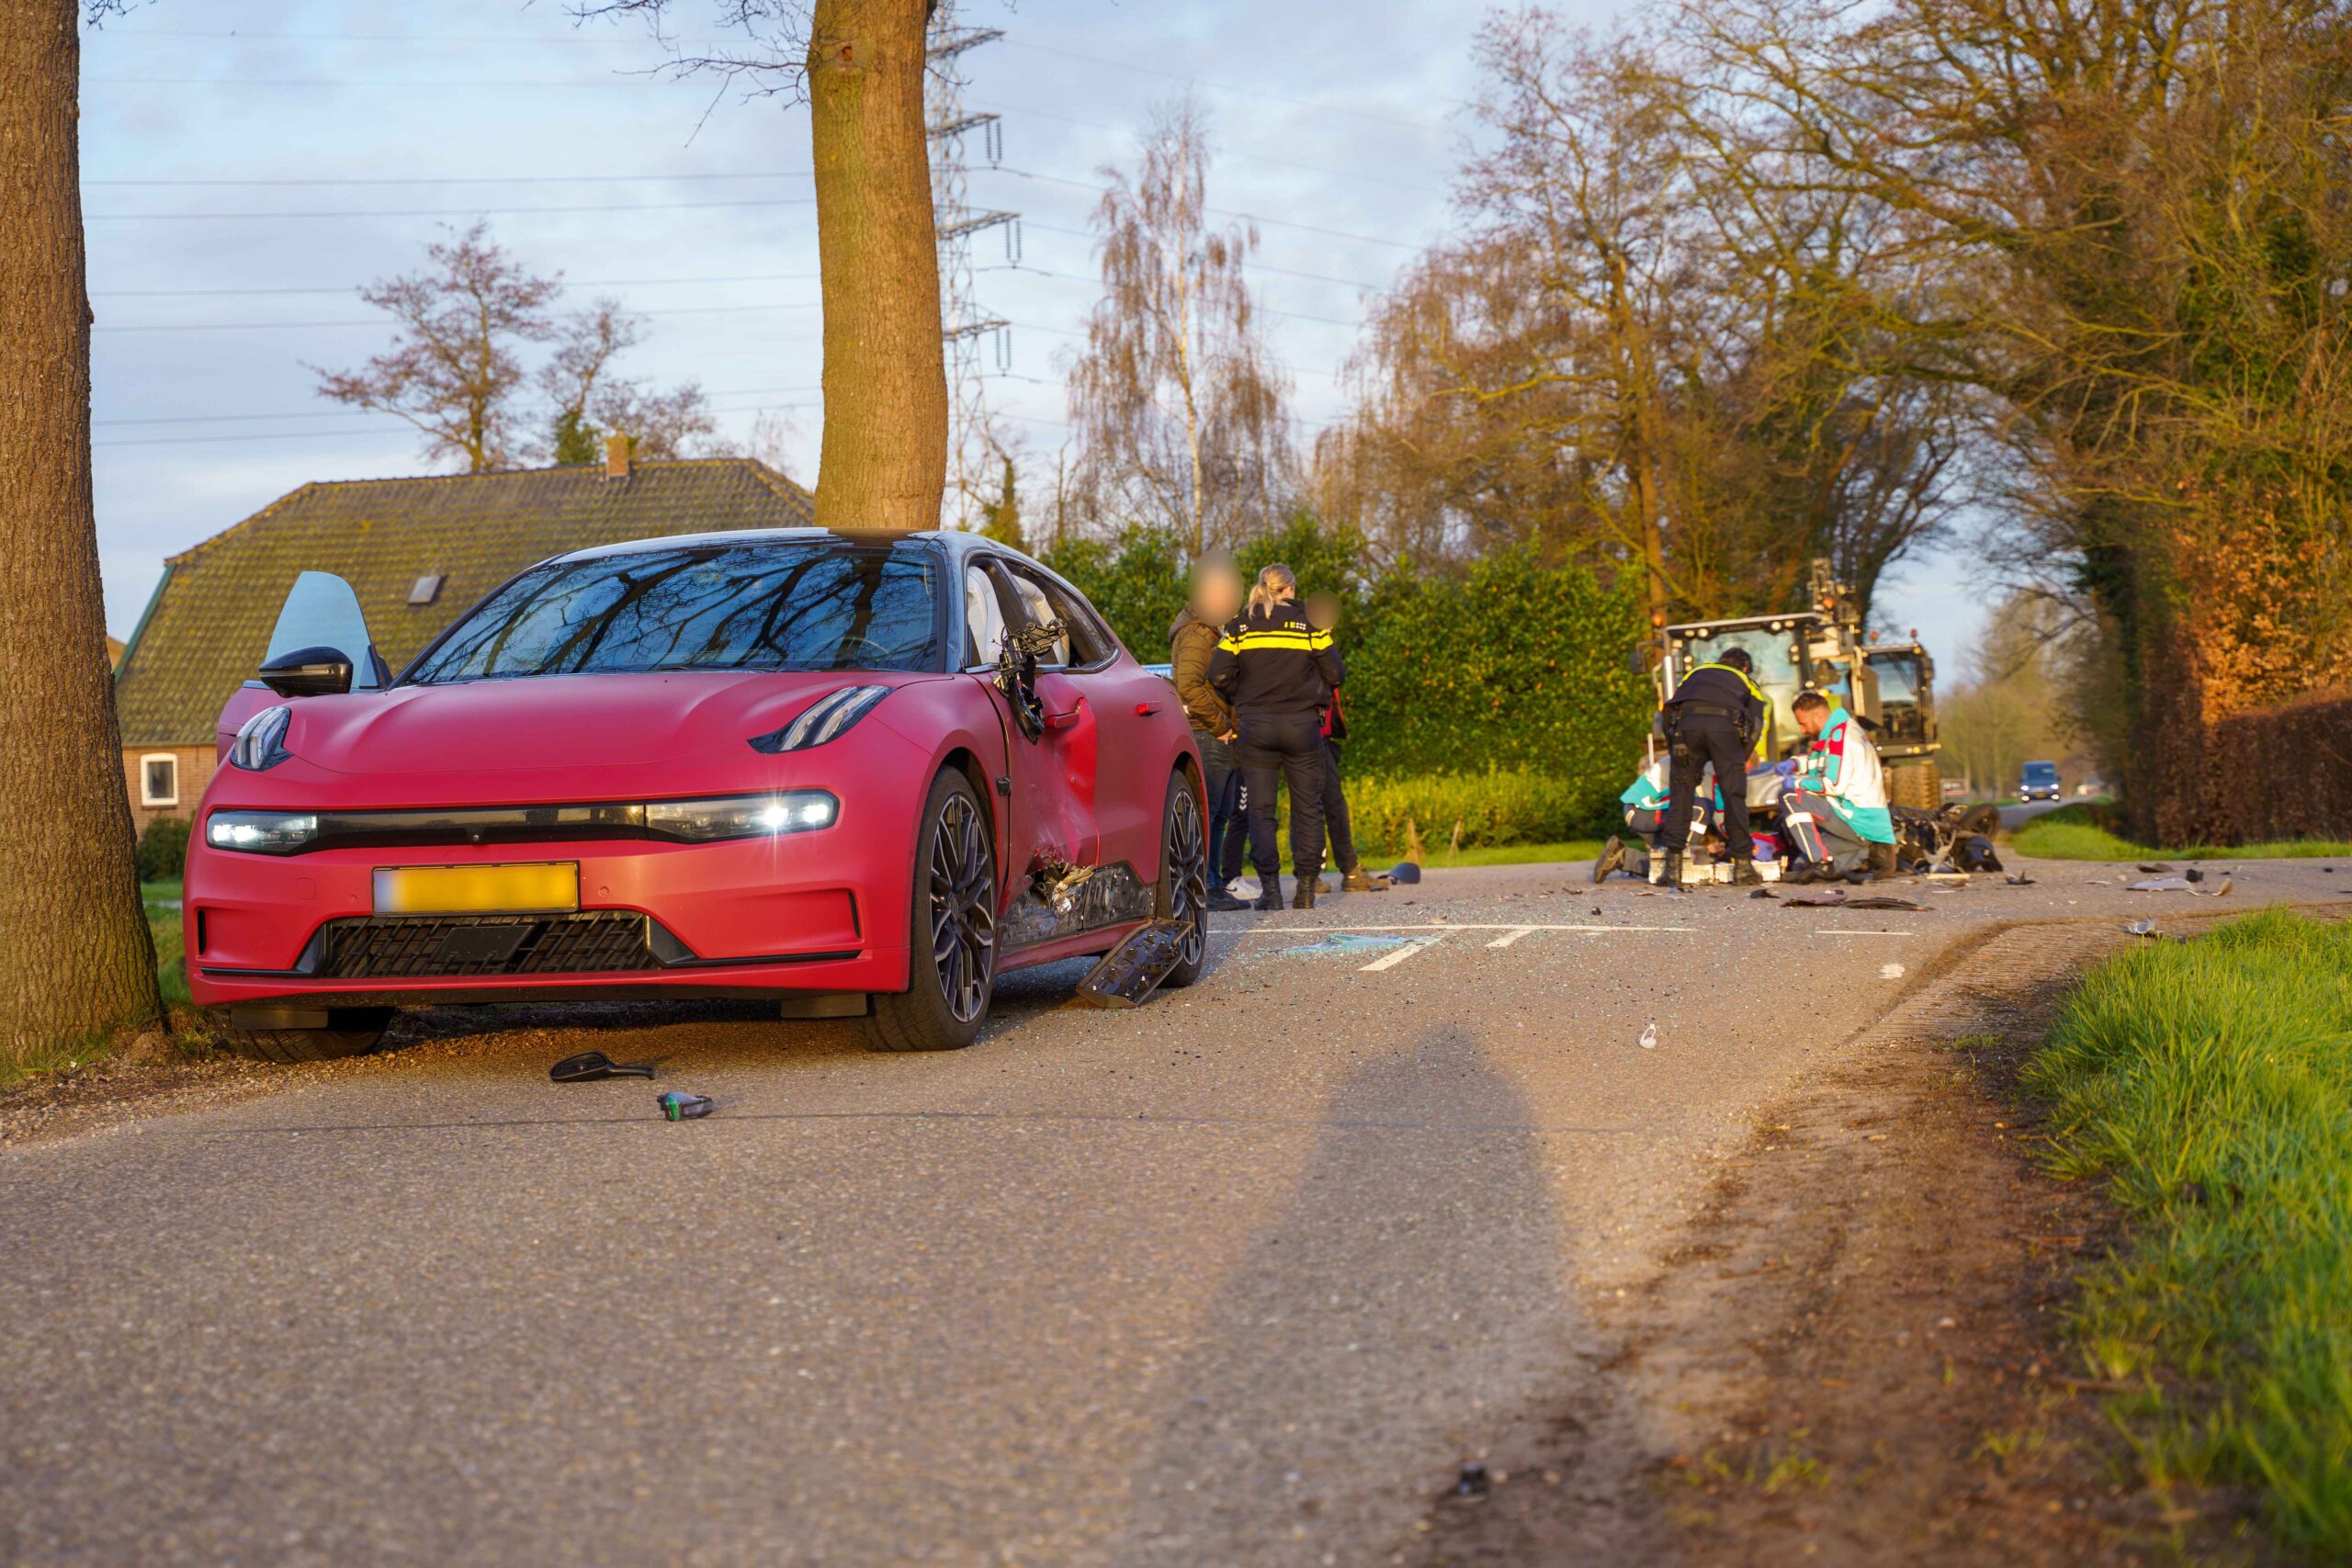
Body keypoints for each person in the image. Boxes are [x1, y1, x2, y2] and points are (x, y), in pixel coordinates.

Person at [1209, 563, 1341, 909]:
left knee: (1261, 811)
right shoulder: (1310, 622)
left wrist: (1245, 696)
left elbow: (1218, 674)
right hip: (1301, 726)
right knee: (1308, 808)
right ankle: (1307, 890)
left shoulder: (1240, 625)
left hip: (1257, 727)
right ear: (1291, 589)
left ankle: (1271, 893)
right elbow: (1336, 673)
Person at [1170, 557, 1251, 911]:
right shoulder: (1197, 633)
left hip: (1216, 732)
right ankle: (1209, 885)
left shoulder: (1210, 630)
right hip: (1207, 733)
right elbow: (1188, 685)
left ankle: (1214, 882)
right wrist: (1222, 726)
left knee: (1219, 813)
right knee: (1211, 813)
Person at [1658, 647, 1768, 886]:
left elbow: (1668, 709)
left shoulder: (1693, 673)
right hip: (1723, 729)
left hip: (1685, 730)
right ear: (1746, 667)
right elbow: (1757, 724)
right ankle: (1742, 867)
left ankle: (1672, 869)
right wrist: (1741, 756)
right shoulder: (1746, 680)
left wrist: (1675, 747)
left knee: (1681, 795)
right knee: (1733, 796)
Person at [1303, 591, 1382, 894]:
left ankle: (1321, 873)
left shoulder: (1315, 644)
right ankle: (1344, 871)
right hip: (1313, 735)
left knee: (1316, 804)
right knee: (1328, 804)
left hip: (1321, 735)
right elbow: (1334, 678)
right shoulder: (1313, 646)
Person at [1779, 691, 1898, 881]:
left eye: (1803, 723)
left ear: (1818, 715)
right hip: (1864, 822)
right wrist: (1796, 764)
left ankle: (1821, 863)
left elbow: (1832, 785)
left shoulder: (1841, 738)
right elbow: (1823, 764)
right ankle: (1866, 854)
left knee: (1790, 796)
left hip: (1856, 819)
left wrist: (1796, 782)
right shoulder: (1842, 732)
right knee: (1799, 864)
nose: (1802, 730)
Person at [1596, 754, 1719, 883]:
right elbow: (1717, 814)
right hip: (1644, 812)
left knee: (1665, 861)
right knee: (1703, 807)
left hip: (1639, 811)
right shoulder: (1705, 764)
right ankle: (1684, 867)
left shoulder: (1685, 753)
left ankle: (1622, 857)